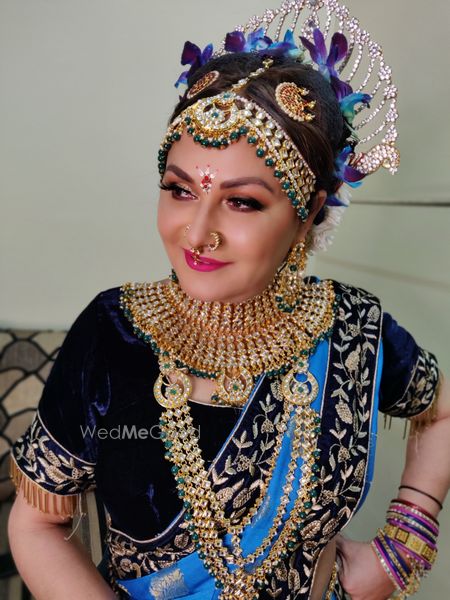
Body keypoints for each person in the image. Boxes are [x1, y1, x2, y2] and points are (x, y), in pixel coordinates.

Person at [7, 1, 450, 599]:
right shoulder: (113, 331)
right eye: (179, 190)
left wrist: (401, 547)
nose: (197, 233)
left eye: (242, 202)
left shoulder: (352, 329)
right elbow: (37, 524)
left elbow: (442, 411)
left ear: (308, 214)